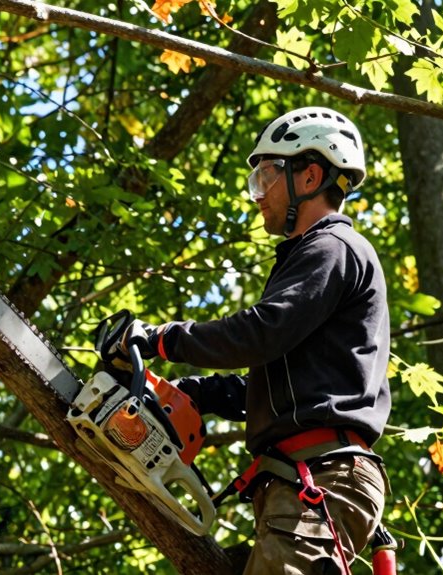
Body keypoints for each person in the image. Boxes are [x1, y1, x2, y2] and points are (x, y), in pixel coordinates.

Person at [115, 107, 391, 574]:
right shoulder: (314, 258)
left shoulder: (332, 248)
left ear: (309, 175)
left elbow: (260, 333)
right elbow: (280, 384)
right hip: (303, 480)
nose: (258, 195)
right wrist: (196, 395)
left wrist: (162, 339)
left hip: (321, 476)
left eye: (267, 176)